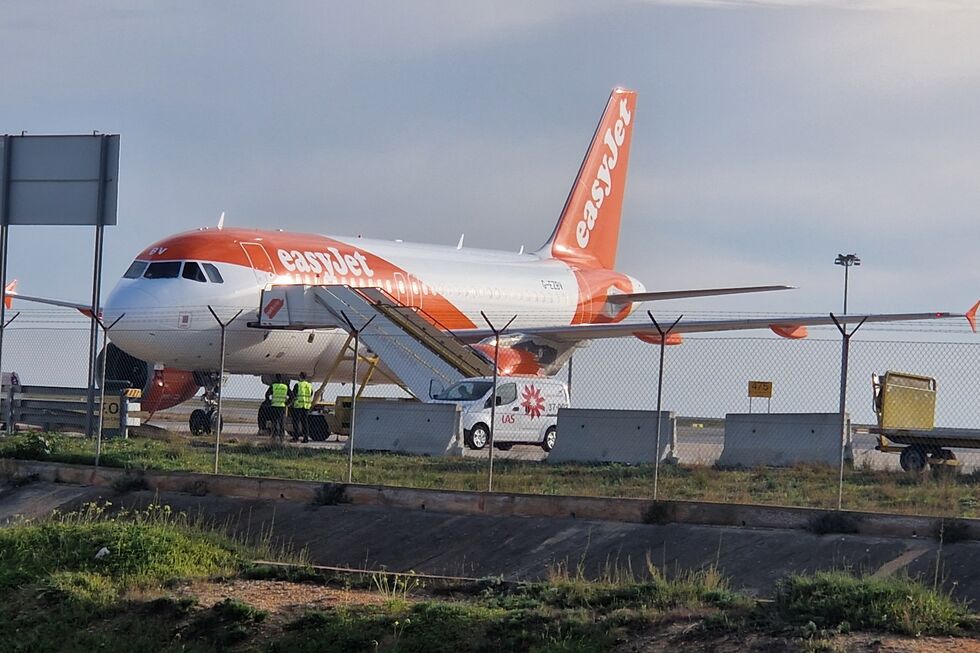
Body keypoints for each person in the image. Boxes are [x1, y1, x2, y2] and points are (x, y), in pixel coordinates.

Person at [291, 372, 313, 443]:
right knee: (305, 422)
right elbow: (311, 393)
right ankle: (306, 438)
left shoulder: (298, 385)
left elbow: (293, 394)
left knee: (296, 422)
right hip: (306, 406)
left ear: (300, 377)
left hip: (298, 405)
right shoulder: (309, 385)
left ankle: (296, 437)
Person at [267, 375, 288, 442]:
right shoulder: (285, 387)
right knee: (281, 422)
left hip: (274, 406)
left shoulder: (273, 386)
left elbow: (267, 394)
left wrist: (269, 402)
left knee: (275, 422)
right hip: (282, 406)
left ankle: (274, 436)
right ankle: (282, 437)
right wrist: (287, 403)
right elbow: (292, 396)